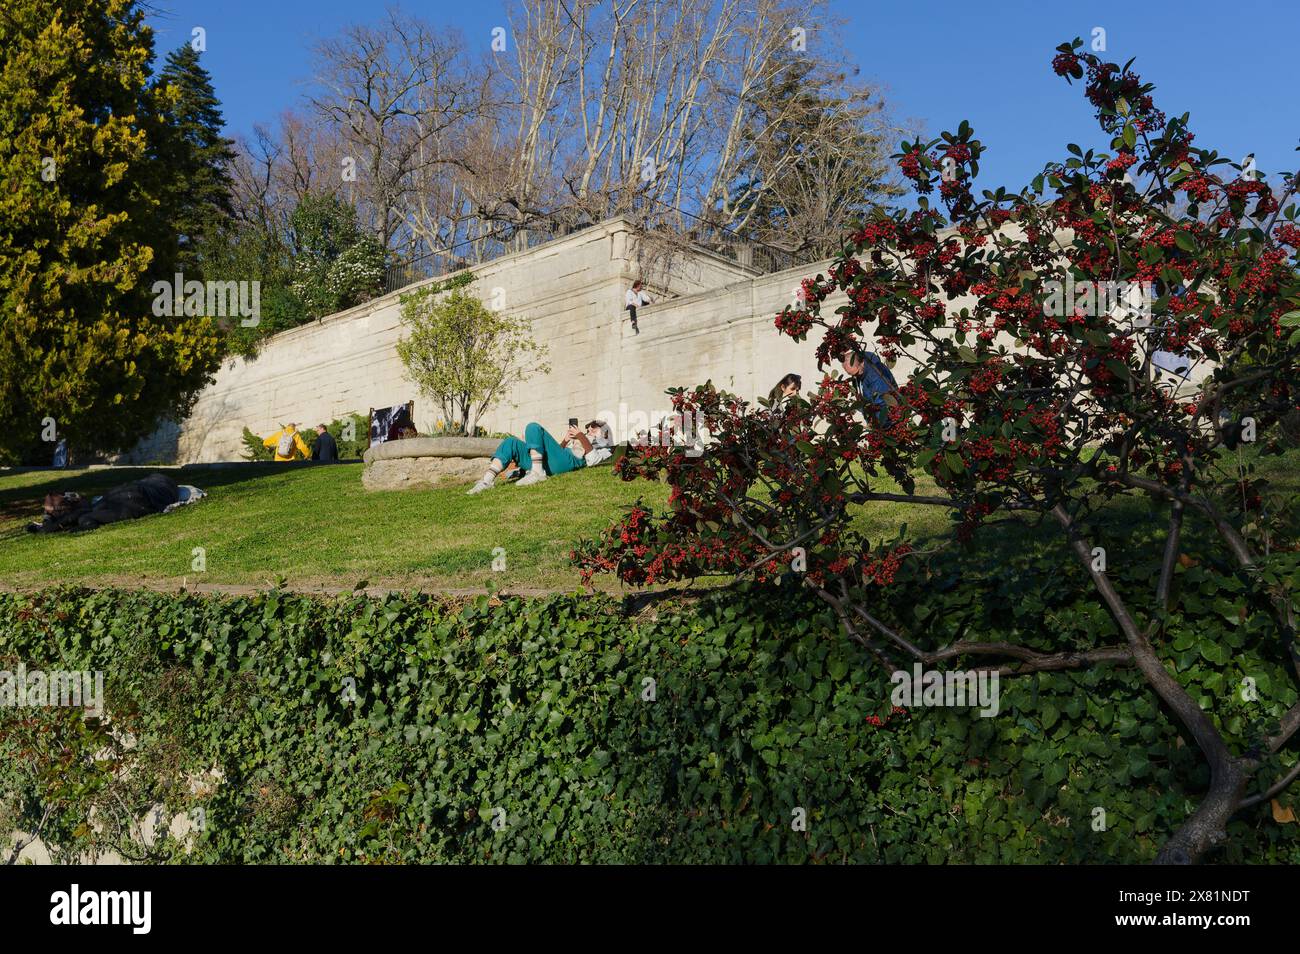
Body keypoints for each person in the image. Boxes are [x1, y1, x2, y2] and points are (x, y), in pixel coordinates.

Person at [467, 420, 613, 494]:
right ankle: (486, 482)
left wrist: (581, 436)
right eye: (588, 428)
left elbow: (593, 460)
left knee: (533, 427)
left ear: (605, 433)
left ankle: (537, 473)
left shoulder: (605, 449)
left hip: (571, 462)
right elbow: (555, 456)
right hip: (554, 461)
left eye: (594, 428)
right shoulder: (582, 440)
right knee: (511, 442)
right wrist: (565, 440)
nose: (589, 430)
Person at [840, 347, 898, 424]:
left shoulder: (876, 378)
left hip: (890, 423)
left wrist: (876, 425)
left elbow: (883, 407)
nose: (855, 377)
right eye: (850, 374)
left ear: (862, 363)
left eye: (856, 373)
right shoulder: (864, 372)